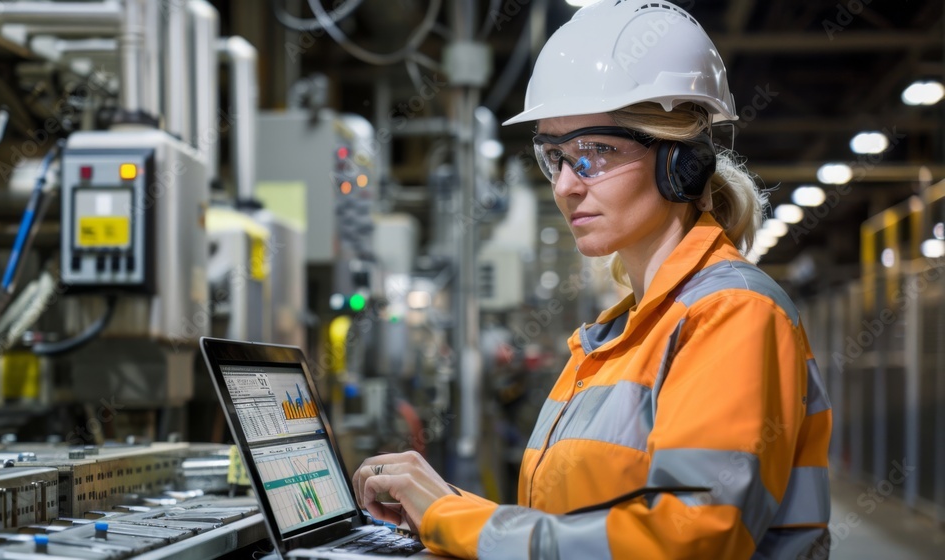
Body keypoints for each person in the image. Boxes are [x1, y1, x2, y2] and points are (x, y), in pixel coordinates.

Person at [351, 0, 833, 558]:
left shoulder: (732, 312)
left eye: (595, 153)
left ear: (681, 162)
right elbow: (571, 526)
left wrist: (452, 518)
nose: (564, 185)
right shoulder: (617, 336)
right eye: (553, 155)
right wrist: (437, 503)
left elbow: (688, 539)